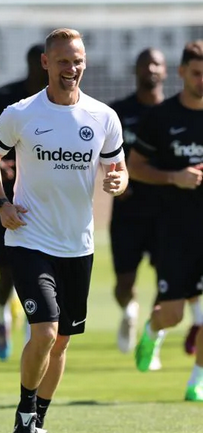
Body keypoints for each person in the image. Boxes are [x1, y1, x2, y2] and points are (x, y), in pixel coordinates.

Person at [0, 28, 126, 433]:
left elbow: (117, 168)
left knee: (61, 340)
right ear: (46, 63)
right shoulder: (21, 113)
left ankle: (39, 421)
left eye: (77, 60)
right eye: (63, 61)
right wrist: (1, 203)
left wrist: (117, 180)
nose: (72, 68)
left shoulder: (103, 117)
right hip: (29, 239)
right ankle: (24, 418)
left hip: (78, 245)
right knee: (44, 329)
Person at [129, 40, 203, 402]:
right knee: (173, 314)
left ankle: (198, 380)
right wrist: (175, 177)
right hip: (175, 231)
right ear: (182, 73)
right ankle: (153, 329)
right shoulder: (162, 116)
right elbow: (135, 167)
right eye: (197, 74)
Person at [0, 44, 49, 360]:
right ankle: (2, 318)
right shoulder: (8, 101)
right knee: (6, 268)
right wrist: (0, 158)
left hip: (47, 203)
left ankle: (33, 329)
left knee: (44, 269)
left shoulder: (64, 105)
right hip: (7, 199)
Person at [108, 49, 169, 356]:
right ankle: (129, 311)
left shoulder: (174, 113)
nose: (151, 68)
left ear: (166, 71)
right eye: (145, 63)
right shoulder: (118, 112)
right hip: (128, 212)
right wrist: (115, 179)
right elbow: (99, 155)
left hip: (167, 213)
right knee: (123, 284)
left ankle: (153, 339)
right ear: (136, 70)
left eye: (157, 63)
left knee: (165, 282)